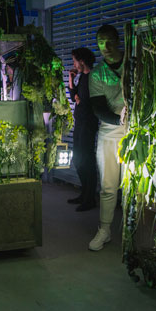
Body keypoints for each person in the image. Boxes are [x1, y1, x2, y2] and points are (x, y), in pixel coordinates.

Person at [87, 24, 127, 251]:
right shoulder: (97, 74)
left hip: (136, 133)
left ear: (118, 40)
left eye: (109, 41)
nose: (106, 47)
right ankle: (105, 229)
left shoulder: (134, 64)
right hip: (109, 134)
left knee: (136, 188)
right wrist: (118, 119)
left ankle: (135, 229)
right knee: (108, 186)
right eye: (101, 42)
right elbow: (98, 108)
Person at [68, 47, 98, 212]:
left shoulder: (92, 77)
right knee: (79, 160)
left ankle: (89, 198)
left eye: (74, 61)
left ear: (81, 61)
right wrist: (71, 80)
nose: (73, 64)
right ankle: (84, 193)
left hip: (88, 123)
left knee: (87, 161)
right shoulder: (83, 77)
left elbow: (88, 101)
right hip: (80, 122)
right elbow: (75, 97)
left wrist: (80, 100)